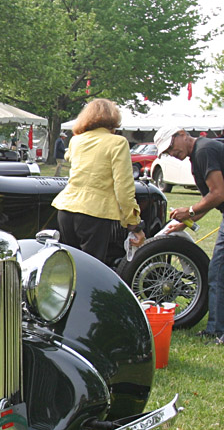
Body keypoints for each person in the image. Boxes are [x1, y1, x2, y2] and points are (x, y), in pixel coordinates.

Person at [51, 98, 143, 265]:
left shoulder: (76, 140)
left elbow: (68, 156)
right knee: (92, 269)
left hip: (66, 208)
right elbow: (124, 188)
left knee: (71, 269)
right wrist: (133, 222)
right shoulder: (118, 142)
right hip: (95, 212)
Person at [155, 126, 224, 344]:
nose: (171, 153)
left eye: (171, 146)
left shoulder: (204, 150)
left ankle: (217, 331)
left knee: (218, 271)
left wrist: (190, 211)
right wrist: (186, 222)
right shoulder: (198, 155)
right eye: (166, 152)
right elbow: (212, 200)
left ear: (182, 134)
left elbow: (219, 193)